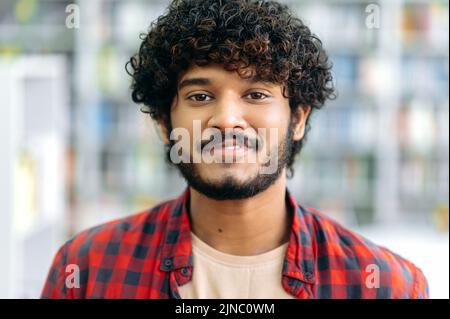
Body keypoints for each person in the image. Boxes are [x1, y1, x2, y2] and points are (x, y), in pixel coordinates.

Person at [42, 0, 429, 299]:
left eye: (256, 94)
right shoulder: (87, 269)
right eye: (200, 95)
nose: (227, 120)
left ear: (297, 119)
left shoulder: (384, 284)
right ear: (164, 122)